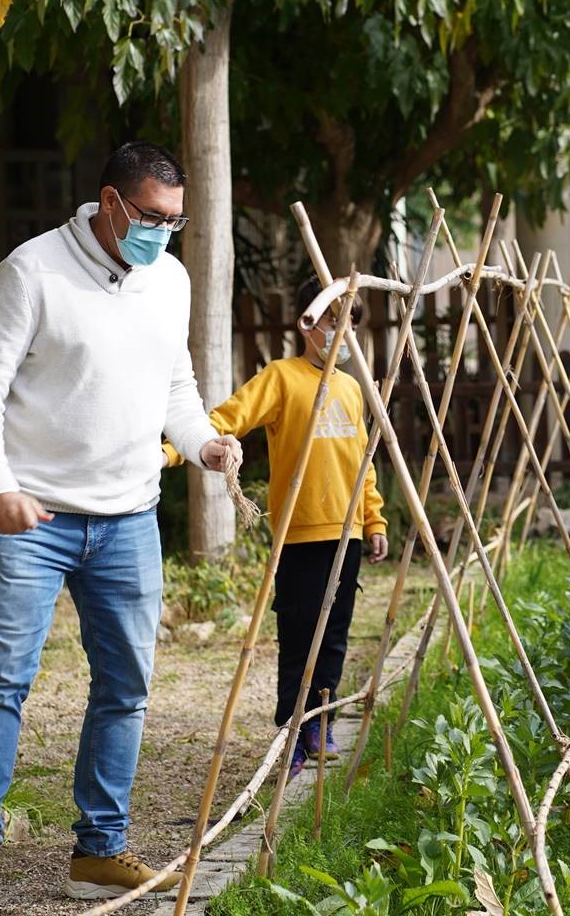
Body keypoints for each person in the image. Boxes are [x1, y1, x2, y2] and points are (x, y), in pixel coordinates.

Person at [0, 142, 241, 913]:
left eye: (174, 222)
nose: (162, 235)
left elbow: (174, 383)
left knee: (126, 688)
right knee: (1, 680)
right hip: (30, 516)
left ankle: (98, 854)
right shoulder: (32, 272)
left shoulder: (168, 279)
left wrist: (202, 441)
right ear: (110, 204)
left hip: (130, 517)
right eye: (150, 218)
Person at [178, 274, 389, 780]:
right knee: (298, 635)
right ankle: (291, 732)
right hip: (299, 535)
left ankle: (323, 721)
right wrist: (174, 448)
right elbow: (229, 417)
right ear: (308, 324)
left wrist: (374, 518)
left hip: (347, 533)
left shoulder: (352, 389)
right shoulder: (281, 377)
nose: (343, 336)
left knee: (335, 635)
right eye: (333, 323)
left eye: (351, 326)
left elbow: (365, 464)